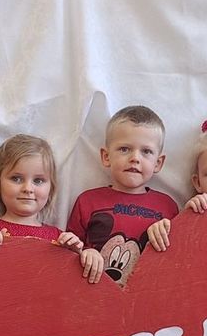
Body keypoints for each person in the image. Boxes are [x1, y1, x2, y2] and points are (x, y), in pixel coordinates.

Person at [67, 106, 180, 285]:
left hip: (148, 295)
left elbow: (179, 257)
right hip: (93, 292)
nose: (135, 158)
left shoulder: (168, 207)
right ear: (106, 157)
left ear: (158, 163)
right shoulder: (87, 201)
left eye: (146, 151)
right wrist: (84, 252)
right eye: (124, 149)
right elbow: (69, 251)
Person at [0, 134, 95, 281]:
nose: (28, 188)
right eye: (16, 178)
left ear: (51, 188)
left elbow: (68, 285)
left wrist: (82, 256)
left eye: (38, 180)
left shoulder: (59, 239)